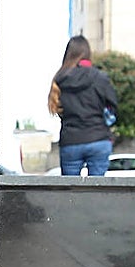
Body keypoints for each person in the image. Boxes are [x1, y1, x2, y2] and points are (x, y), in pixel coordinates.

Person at [47, 36, 119, 176]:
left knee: (70, 193)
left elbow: (57, 108)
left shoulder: (59, 80)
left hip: (71, 140)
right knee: (97, 188)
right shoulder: (100, 78)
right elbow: (113, 107)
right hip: (98, 138)